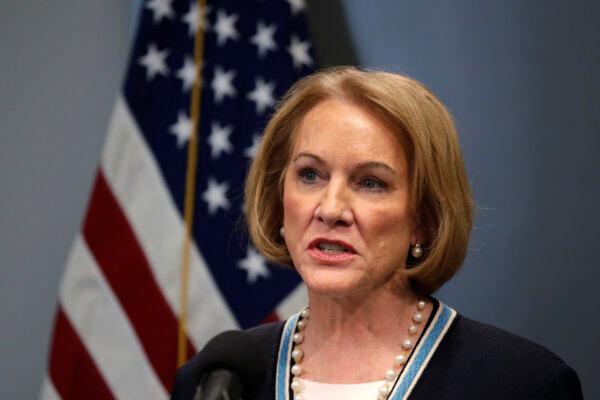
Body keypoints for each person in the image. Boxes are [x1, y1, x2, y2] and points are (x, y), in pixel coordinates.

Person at [171, 67, 583, 400]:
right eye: (310, 175)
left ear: (424, 218)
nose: (330, 209)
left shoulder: (522, 384)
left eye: (370, 182)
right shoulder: (217, 383)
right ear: (281, 200)